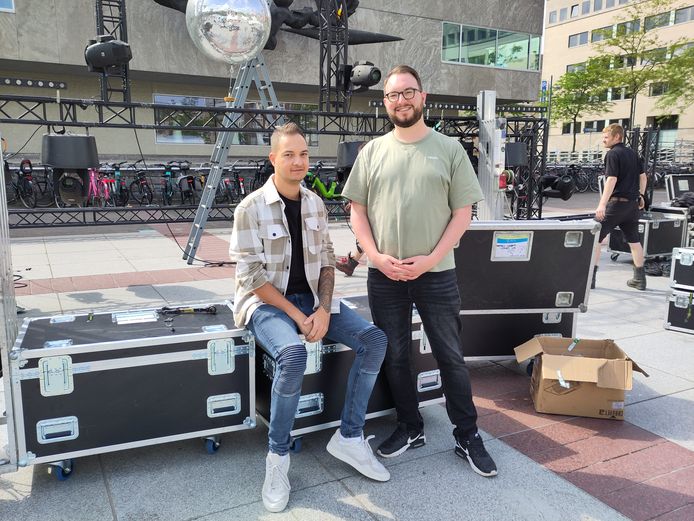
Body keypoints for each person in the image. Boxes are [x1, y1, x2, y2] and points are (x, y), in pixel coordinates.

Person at [341, 65, 498, 477]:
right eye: (393, 95)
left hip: (437, 271)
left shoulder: (448, 148)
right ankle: (410, 426)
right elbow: (356, 210)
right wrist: (374, 256)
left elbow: (463, 212)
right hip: (385, 274)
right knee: (394, 356)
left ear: (423, 97)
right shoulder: (372, 152)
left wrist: (431, 258)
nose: (401, 100)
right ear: (385, 103)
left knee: (450, 356)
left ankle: (467, 434)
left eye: (408, 92)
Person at [229, 122, 390, 513]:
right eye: (289, 154)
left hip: (312, 300)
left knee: (374, 340)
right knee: (294, 355)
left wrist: (321, 309)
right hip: (267, 303)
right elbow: (252, 279)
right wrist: (299, 317)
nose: (298, 161)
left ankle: (349, 438)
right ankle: (278, 459)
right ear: (273, 158)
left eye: (303, 154)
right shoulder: (249, 208)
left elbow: (329, 265)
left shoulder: (315, 203)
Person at [592, 123, 647, 290]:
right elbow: (643, 177)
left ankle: (590, 279)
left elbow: (611, 179)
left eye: (606, 137)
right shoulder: (632, 153)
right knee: (634, 241)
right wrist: (642, 196)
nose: (604, 140)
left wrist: (602, 204)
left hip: (616, 205)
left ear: (617, 137)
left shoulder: (612, 154)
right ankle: (640, 280)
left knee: (595, 238)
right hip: (632, 205)